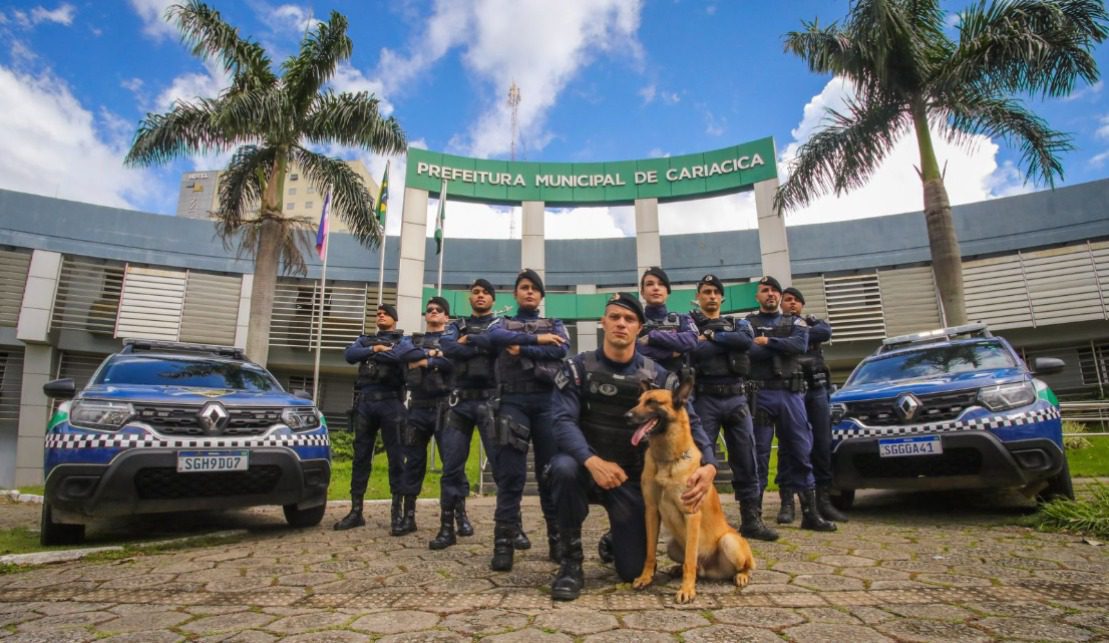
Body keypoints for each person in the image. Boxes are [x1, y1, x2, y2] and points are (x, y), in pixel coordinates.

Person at [547, 293, 720, 601]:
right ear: (603, 322)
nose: (621, 324)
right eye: (614, 317)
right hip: (586, 470)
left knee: (632, 570)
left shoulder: (659, 378)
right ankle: (571, 563)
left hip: (629, 479)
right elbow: (561, 422)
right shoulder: (577, 368)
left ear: (639, 328)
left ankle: (617, 538)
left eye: (629, 319)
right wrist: (592, 460)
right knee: (562, 468)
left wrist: (709, 464)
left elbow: (689, 420)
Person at [466, 269, 569, 571]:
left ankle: (557, 540)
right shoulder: (502, 322)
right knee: (511, 477)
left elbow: (562, 348)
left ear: (541, 296)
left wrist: (522, 347)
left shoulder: (556, 324)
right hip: (512, 403)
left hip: (547, 403)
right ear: (515, 294)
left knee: (550, 475)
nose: (529, 293)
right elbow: (495, 336)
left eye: (534, 289)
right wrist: (539, 340)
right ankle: (504, 544)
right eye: (524, 288)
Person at [690, 274, 778, 541]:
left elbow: (745, 344)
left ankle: (751, 520)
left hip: (737, 398)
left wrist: (712, 336)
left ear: (722, 297)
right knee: (702, 462)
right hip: (706, 398)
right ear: (699, 297)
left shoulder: (738, 323)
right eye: (706, 292)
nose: (712, 296)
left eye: (716, 292)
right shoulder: (691, 324)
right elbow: (695, 352)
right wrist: (719, 341)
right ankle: (703, 522)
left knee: (746, 458)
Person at [747, 276, 836, 532]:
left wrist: (768, 342)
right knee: (759, 455)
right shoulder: (747, 323)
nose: (771, 294)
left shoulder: (795, 321)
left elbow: (799, 345)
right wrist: (781, 346)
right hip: (761, 394)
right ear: (758, 296)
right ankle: (755, 517)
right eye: (765, 290)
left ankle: (811, 514)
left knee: (800, 451)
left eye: (774, 290)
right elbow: (748, 351)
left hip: (791, 395)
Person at [433, 279, 500, 550]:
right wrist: (480, 345)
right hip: (459, 403)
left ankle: (510, 528)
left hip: (490, 403)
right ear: (469, 298)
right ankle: (447, 527)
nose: (480, 296)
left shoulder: (500, 325)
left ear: (493, 299)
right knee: (451, 468)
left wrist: (469, 341)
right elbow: (448, 347)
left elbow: (499, 345)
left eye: (485, 292)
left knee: (501, 467)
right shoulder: (454, 325)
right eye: (476, 292)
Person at [334, 303, 412, 531]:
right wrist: (375, 350)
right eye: (378, 314)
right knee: (360, 458)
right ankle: (356, 511)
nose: (381, 316)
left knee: (396, 459)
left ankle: (397, 514)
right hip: (366, 403)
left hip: (391, 403)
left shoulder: (404, 341)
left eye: (385, 313)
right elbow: (349, 355)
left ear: (394, 319)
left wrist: (379, 351)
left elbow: (400, 357)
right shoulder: (365, 340)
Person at [781, 287, 848, 523]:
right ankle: (787, 502)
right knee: (790, 446)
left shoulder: (813, 322)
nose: (792, 303)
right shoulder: (777, 325)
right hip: (792, 391)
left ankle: (824, 502)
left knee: (822, 444)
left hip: (817, 390)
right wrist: (791, 337)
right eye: (787, 300)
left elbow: (825, 332)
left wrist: (797, 334)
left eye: (796, 300)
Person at [395, 296, 454, 536]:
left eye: (438, 310)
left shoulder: (451, 341)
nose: (433, 312)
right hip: (417, 407)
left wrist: (423, 361)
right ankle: (409, 516)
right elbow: (401, 354)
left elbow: (453, 363)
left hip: (444, 407)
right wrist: (434, 357)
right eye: (429, 310)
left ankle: (455, 516)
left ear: (446, 317)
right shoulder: (411, 340)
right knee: (414, 464)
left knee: (451, 464)